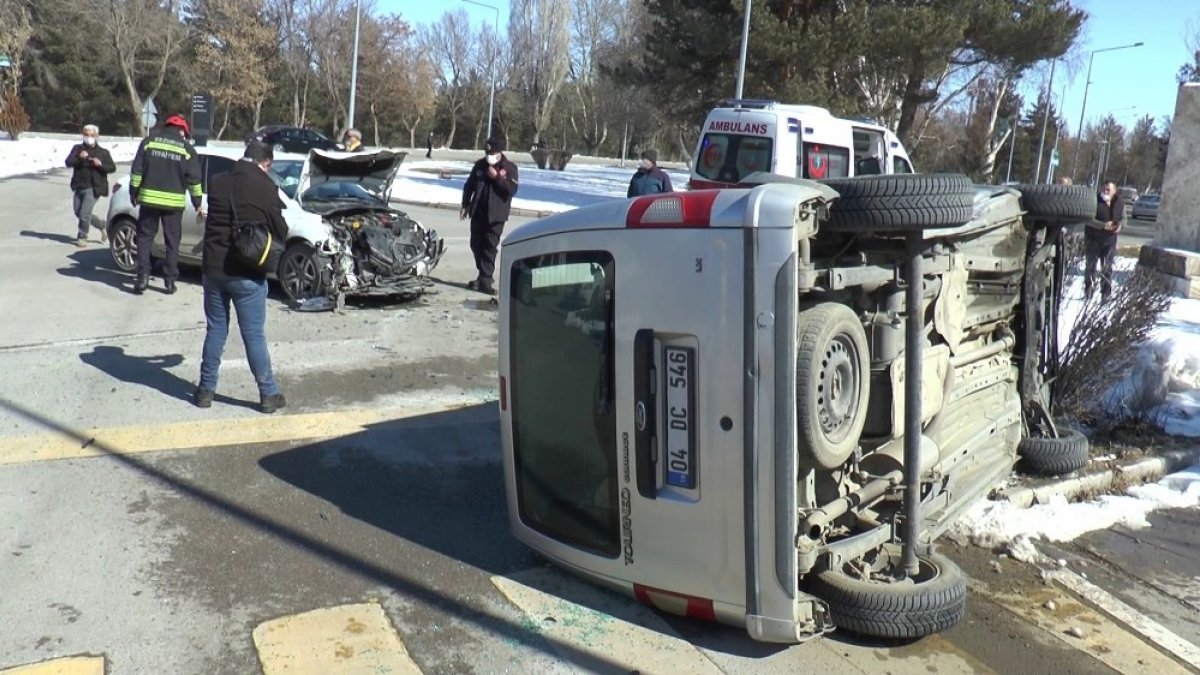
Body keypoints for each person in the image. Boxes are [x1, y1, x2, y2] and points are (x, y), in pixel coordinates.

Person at [193, 142, 289, 413]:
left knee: (215, 330)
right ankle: (268, 394)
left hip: (213, 268)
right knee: (253, 335)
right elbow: (279, 228)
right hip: (247, 270)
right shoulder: (265, 187)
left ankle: (205, 391)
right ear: (266, 163)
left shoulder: (218, 181)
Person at [129, 114, 203, 295]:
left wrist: (134, 192)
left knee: (145, 238)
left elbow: (137, 171)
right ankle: (169, 282)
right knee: (172, 242)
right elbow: (194, 181)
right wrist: (198, 203)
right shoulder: (187, 150)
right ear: (182, 131)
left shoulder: (149, 142)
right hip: (173, 205)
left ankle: (143, 277)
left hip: (149, 200)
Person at [460, 137, 518, 295]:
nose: (489, 155)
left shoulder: (510, 168)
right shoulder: (480, 165)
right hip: (478, 211)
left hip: (496, 215)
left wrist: (497, 178)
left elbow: (511, 190)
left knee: (489, 247)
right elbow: (469, 185)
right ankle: (483, 275)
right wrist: (465, 204)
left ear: (500, 152)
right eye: (487, 152)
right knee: (475, 244)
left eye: (492, 152)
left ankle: (486, 280)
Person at [64, 124, 116, 247]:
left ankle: (82, 236)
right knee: (78, 212)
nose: (88, 137)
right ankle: (101, 225)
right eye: (86, 134)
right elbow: (68, 162)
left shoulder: (103, 152)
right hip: (78, 185)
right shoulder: (77, 149)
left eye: (91, 135)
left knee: (84, 214)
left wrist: (100, 164)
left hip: (94, 187)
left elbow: (112, 168)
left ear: (96, 136)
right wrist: (79, 158)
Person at [1086, 181, 1124, 300]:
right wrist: (1103, 225)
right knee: (1091, 267)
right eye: (1104, 189)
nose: (1106, 191)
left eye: (1109, 190)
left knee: (1107, 268)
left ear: (1114, 191)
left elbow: (1124, 218)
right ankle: (1088, 292)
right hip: (1093, 239)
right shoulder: (1094, 201)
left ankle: (1106, 294)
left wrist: (1120, 226)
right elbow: (1088, 219)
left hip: (1110, 241)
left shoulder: (1119, 203)